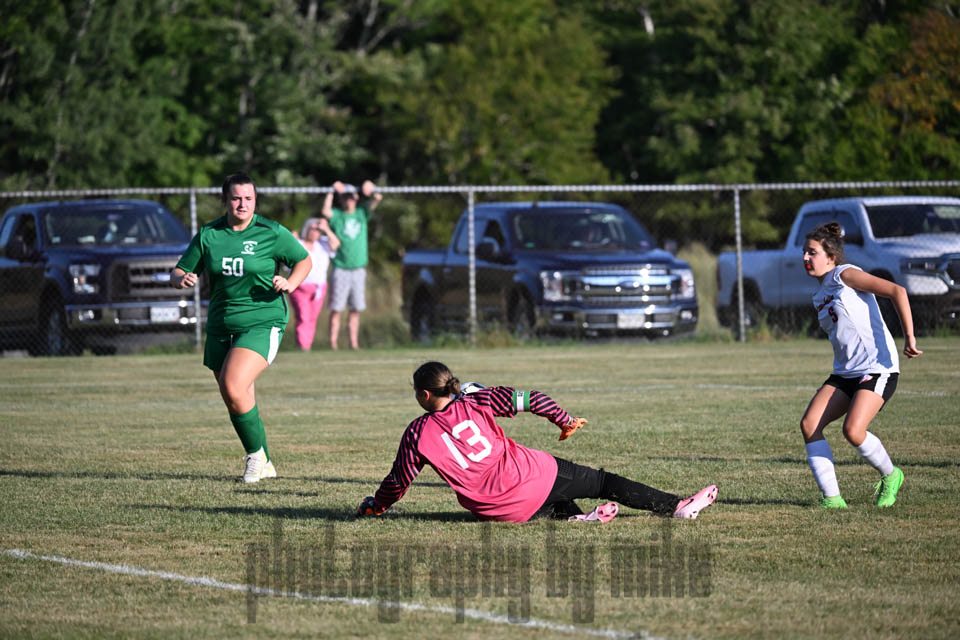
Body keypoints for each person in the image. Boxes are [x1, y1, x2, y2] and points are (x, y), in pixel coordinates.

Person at [356, 361, 718, 522]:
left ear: (423, 395)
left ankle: (578, 519)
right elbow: (531, 399)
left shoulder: (416, 433)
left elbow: (396, 484)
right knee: (601, 482)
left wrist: (376, 506)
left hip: (498, 511)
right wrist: (564, 420)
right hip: (531, 476)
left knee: (545, 498)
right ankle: (676, 506)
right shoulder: (477, 399)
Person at [170, 172, 312, 483]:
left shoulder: (269, 232)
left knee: (232, 385)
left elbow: (303, 260)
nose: (242, 203)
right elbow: (180, 269)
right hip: (221, 324)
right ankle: (266, 462)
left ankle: (255, 457)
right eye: (236, 198)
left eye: (248, 198)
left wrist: (290, 282)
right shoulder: (210, 235)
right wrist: (181, 278)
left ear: (255, 201)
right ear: (225, 200)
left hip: (263, 320)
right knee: (239, 395)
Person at [800, 222, 922, 508]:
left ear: (831, 257)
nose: (805, 258)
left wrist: (910, 337)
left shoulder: (845, 275)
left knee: (853, 431)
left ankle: (891, 476)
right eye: (804, 253)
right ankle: (832, 500)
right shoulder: (819, 295)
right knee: (809, 425)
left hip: (876, 368)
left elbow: (897, 291)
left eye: (812, 252)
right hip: (845, 373)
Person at [321, 179, 382, 350]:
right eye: (346, 197)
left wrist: (369, 189)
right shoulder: (338, 216)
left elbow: (377, 198)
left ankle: (353, 343)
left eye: (352, 197)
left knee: (355, 309)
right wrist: (331, 191)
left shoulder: (362, 213)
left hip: (358, 269)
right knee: (336, 309)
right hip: (341, 267)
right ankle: (333, 343)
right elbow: (325, 211)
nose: (349, 200)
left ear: (356, 198)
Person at [289, 217, 340, 350]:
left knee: (312, 318)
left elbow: (336, 244)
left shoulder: (323, 244)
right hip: (300, 287)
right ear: (306, 229)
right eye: (313, 229)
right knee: (303, 317)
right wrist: (290, 241)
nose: (316, 232)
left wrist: (326, 229)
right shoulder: (298, 244)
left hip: (318, 288)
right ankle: (303, 346)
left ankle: (307, 346)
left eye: (318, 230)